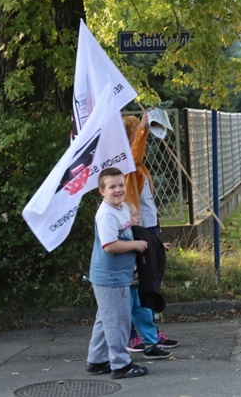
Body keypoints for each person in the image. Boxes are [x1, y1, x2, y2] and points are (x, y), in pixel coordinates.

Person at [122, 112, 179, 353]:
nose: (140, 134)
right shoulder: (128, 164)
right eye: (135, 131)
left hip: (149, 228)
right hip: (139, 229)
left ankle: (150, 333)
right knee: (140, 284)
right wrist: (144, 128)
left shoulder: (139, 165)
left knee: (149, 282)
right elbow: (133, 156)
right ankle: (137, 335)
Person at [86, 167, 149, 380]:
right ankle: (121, 365)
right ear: (102, 191)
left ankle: (96, 361)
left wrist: (154, 245)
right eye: (112, 186)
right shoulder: (106, 214)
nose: (118, 189)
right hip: (110, 277)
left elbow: (130, 232)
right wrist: (135, 245)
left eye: (121, 185)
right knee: (119, 322)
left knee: (106, 320)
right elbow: (110, 246)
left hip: (116, 275)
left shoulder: (121, 208)